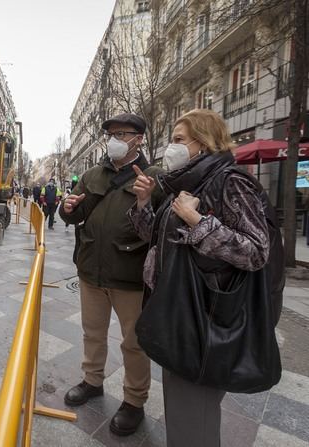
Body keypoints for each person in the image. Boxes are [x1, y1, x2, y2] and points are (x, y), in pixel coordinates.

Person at [128, 109, 270, 446]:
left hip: (203, 320)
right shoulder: (186, 184)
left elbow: (256, 252)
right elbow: (157, 239)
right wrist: (144, 202)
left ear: (204, 142)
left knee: (194, 418)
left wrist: (198, 222)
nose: (170, 147)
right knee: (182, 412)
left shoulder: (230, 182)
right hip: (177, 312)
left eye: (178, 140)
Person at [59, 113, 164, 437]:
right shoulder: (93, 174)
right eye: (111, 134)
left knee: (134, 343)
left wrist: (147, 201)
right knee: (93, 333)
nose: (115, 139)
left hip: (131, 276)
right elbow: (73, 214)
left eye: (123, 133)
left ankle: (134, 400)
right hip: (91, 270)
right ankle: (92, 381)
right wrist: (67, 206)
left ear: (139, 139)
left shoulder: (155, 176)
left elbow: (162, 227)